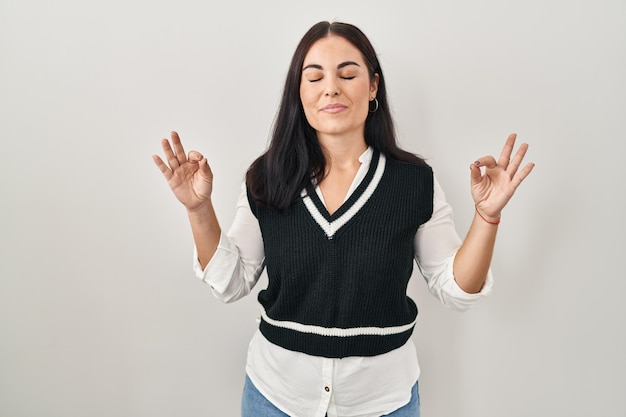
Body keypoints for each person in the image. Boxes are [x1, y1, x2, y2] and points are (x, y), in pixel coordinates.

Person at [152, 20, 534, 417]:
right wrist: (198, 209)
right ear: (299, 93)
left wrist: (487, 217)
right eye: (314, 77)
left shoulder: (414, 182)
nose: (331, 87)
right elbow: (231, 282)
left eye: (347, 74)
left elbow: (455, 289)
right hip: (275, 398)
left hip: (384, 403)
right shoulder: (266, 178)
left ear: (373, 87)